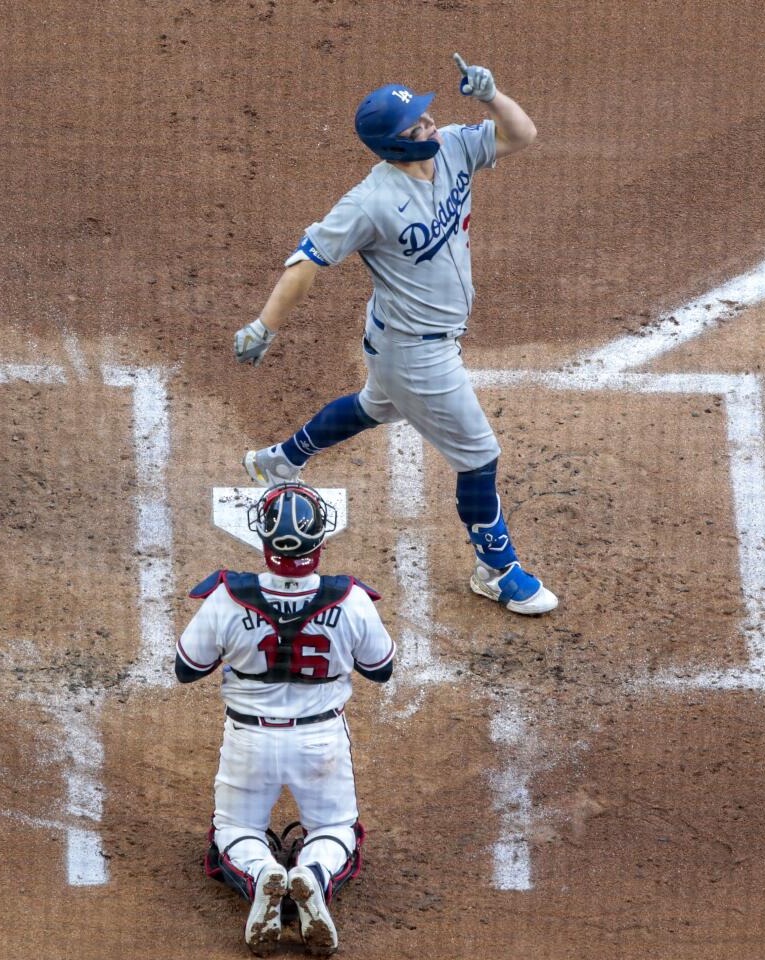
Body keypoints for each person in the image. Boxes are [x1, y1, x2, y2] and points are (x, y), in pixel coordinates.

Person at [234, 54, 557, 616]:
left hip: (409, 340)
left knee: (373, 407)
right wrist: (265, 326)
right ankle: (497, 571)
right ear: (395, 145)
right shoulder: (369, 202)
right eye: (419, 126)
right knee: (479, 456)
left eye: (428, 118)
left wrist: (492, 95)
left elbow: (521, 135)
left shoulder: (455, 147)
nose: (432, 126)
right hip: (416, 353)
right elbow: (306, 263)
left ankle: (281, 460)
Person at [177, 483, 395, 956]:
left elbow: (186, 669)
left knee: (233, 830)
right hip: (321, 739)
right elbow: (382, 669)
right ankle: (312, 875)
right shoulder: (352, 600)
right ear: (320, 541)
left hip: (248, 739)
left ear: (265, 543)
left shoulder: (226, 597)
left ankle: (262, 875)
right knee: (337, 829)